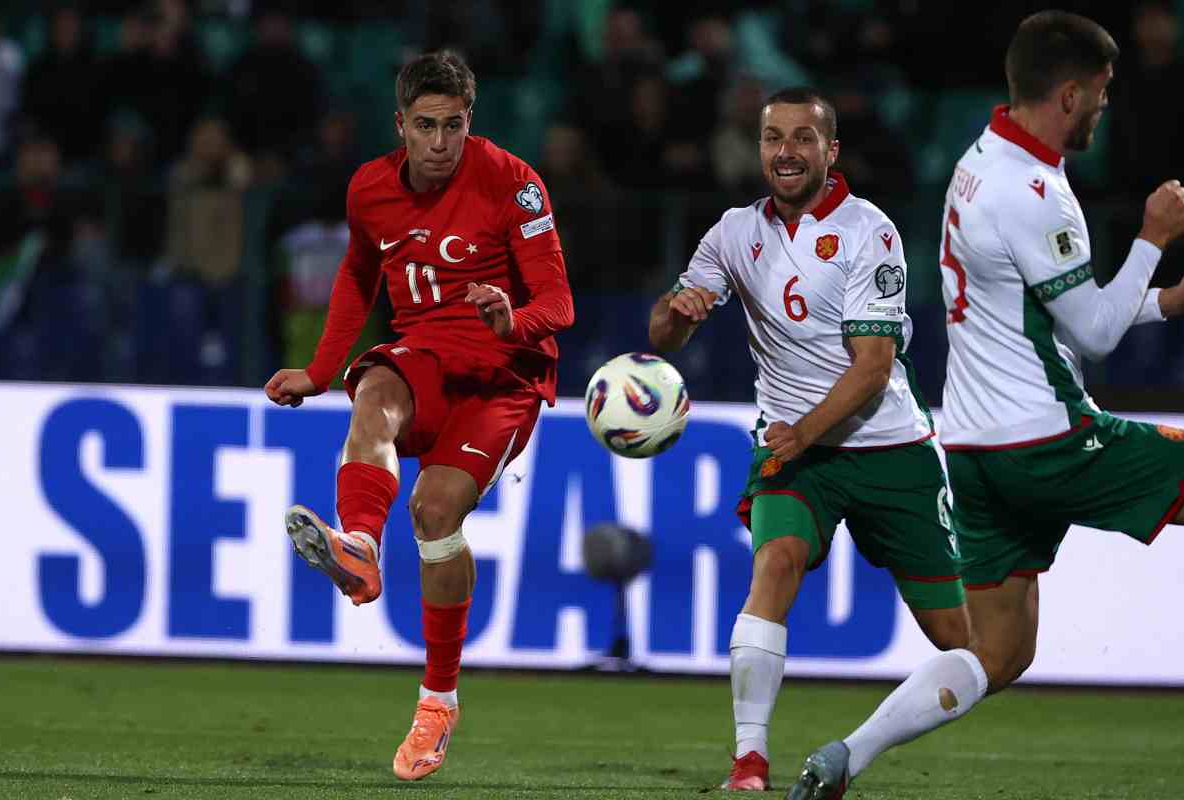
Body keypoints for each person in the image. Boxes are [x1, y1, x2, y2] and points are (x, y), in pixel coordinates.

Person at [788, 11, 1184, 798]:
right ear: (1069, 94)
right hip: (1046, 439)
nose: (1107, 108)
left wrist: (1167, 304)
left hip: (972, 450)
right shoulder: (1036, 192)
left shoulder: (982, 161)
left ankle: (846, 756)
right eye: (1102, 93)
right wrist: (1153, 236)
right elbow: (1098, 337)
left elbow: (1048, 312)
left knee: (999, 653)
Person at [648, 87, 975, 793]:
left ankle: (859, 749)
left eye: (803, 139)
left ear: (831, 151)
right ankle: (749, 761)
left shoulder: (870, 232)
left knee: (962, 642)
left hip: (891, 450)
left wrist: (802, 435)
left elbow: (874, 368)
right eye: (773, 138)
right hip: (795, 448)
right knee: (777, 562)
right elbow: (662, 335)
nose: (786, 153)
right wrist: (679, 313)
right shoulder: (734, 231)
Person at [263, 50, 574, 781]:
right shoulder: (369, 189)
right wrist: (316, 369)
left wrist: (514, 321)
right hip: (424, 355)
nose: (440, 143)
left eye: (454, 126)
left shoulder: (513, 182)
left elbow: (559, 303)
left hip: (505, 375)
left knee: (436, 514)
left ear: (472, 121)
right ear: (399, 123)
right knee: (371, 387)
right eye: (425, 126)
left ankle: (438, 700)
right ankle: (361, 550)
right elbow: (358, 275)